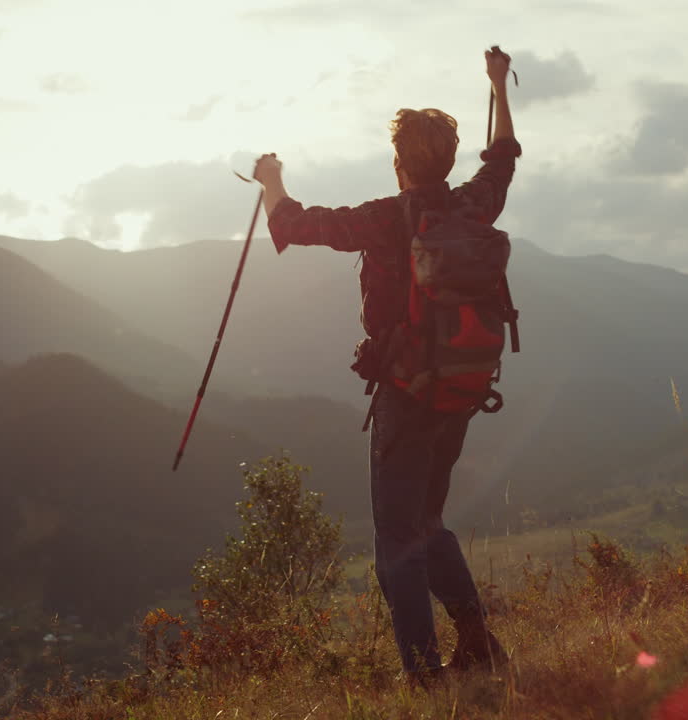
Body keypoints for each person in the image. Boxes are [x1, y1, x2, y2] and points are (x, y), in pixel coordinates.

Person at [252, 47, 520, 685]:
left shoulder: (381, 219)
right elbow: (504, 157)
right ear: (448, 163)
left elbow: (291, 225)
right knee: (428, 522)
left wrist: (270, 179)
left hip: (406, 394)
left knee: (398, 539)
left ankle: (425, 678)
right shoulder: (474, 206)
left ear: (399, 163)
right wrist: (497, 88)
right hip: (463, 388)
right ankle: (479, 647)